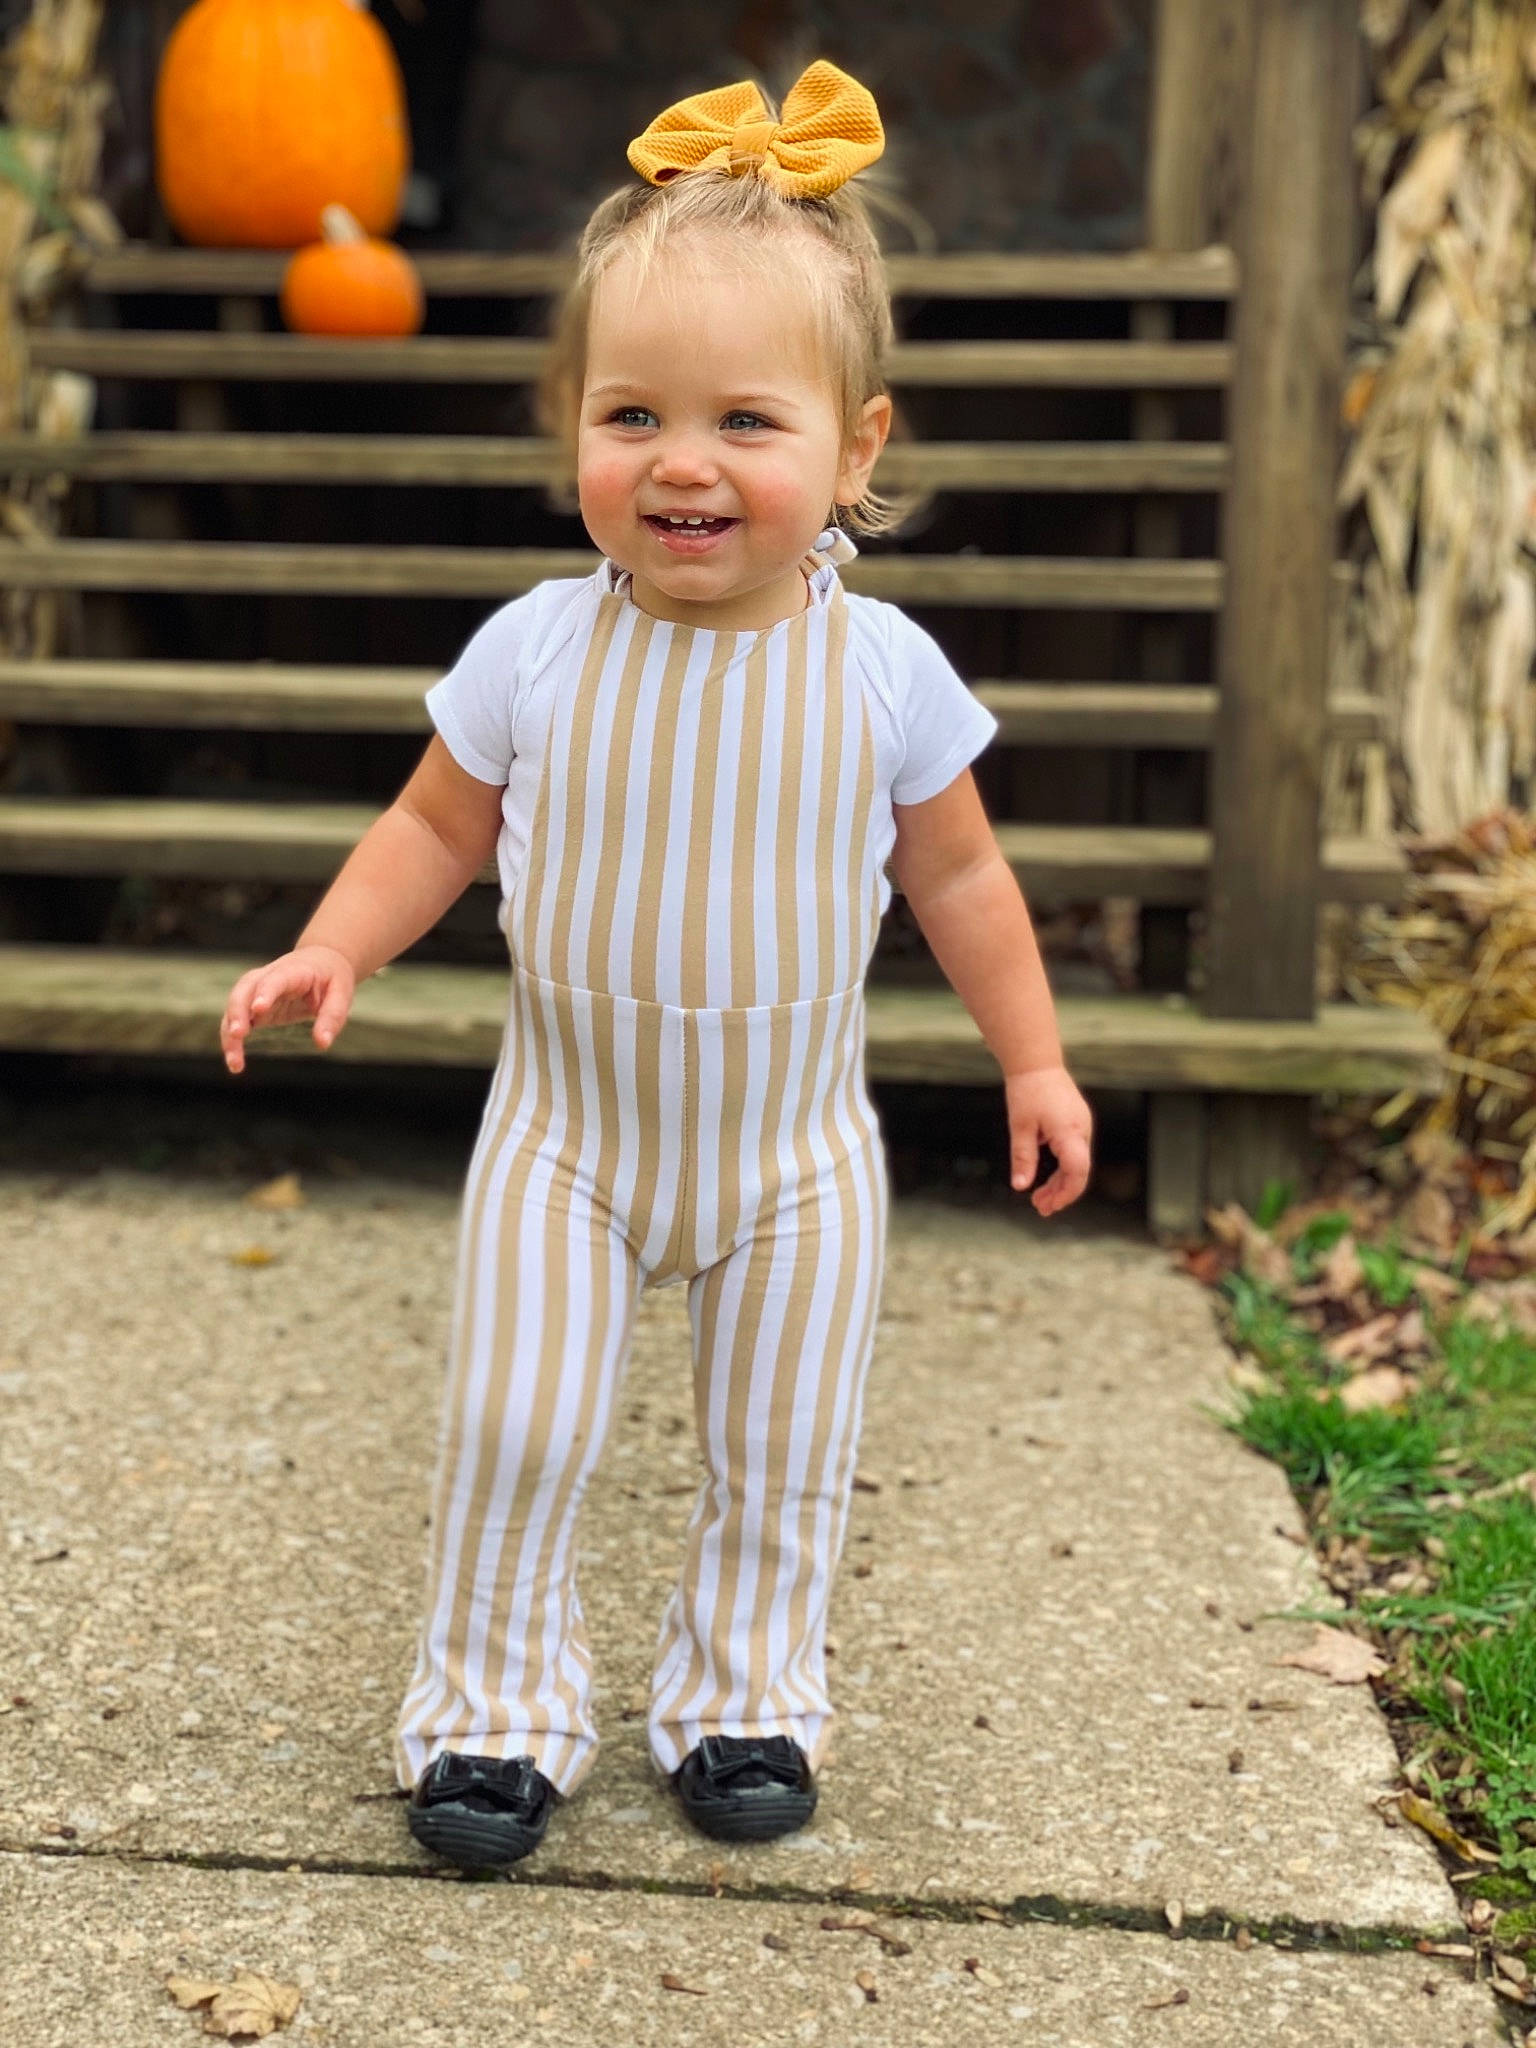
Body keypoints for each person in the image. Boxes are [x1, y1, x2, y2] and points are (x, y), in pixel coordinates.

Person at [218, 57, 1094, 1871]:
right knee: (515, 1427)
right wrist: (333, 940)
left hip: (793, 1154)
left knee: (783, 1446)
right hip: (569, 1139)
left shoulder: (885, 673)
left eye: (748, 424)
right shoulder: (536, 650)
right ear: (576, 434)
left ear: (857, 449)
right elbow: (434, 830)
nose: (681, 461)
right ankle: (490, 1718)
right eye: (632, 413)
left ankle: (747, 1698)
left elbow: (965, 879)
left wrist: (1034, 1061)